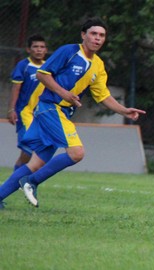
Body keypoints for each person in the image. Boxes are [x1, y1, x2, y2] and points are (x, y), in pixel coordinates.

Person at [0, 18, 145, 209]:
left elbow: (103, 96)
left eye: (101, 35)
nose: (97, 38)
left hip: (60, 112)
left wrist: (124, 110)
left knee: (35, 163)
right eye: (93, 34)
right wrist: (64, 93)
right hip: (50, 108)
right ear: (83, 35)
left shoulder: (98, 65)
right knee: (76, 153)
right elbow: (43, 74)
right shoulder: (69, 51)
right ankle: (31, 182)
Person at [0, 35, 47, 209]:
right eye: (35, 46)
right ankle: (21, 184)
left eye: (42, 46)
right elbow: (16, 88)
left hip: (41, 116)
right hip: (25, 115)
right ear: (29, 49)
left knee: (26, 155)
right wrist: (12, 109)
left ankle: (11, 186)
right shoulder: (24, 66)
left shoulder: (48, 67)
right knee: (32, 150)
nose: (39, 49)